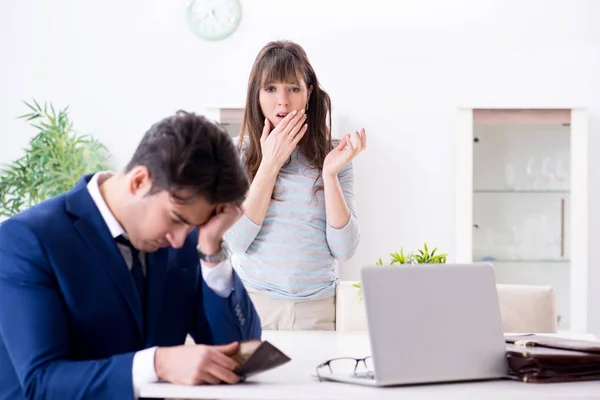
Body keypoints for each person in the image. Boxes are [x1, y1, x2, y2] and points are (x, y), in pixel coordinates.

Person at [0, 111, 261, 400]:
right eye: (175, 218)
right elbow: (41, 382)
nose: (178, 240)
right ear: (139, 181)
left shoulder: (186, 242)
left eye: (192, 225)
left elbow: (240, 353)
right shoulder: (26, 240)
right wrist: (157, 363)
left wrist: (212, 247)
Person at [224, 40, 367, 331]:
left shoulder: (335, 154)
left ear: (309, 93)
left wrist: (329, 175)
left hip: (318, 308)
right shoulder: (236, 153)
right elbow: (235, 242)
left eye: (293, 88)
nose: (283, 101)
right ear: (256, 95)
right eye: (271, 88)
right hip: (253, 304)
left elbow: (345, 249)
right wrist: (270, 163)